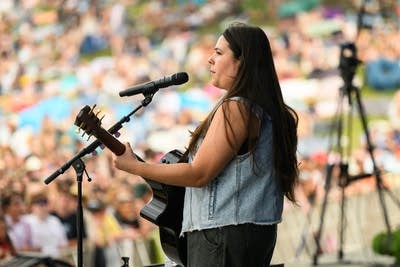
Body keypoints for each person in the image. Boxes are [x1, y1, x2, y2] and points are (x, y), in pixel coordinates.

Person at [113, 22, 299, 267]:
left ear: (242, 62)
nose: (210, 60)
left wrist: (135, 167)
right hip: (249, 234)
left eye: (219, 53)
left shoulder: (236, 107)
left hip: (222, 235)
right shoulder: (266, 110)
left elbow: (199, 174)